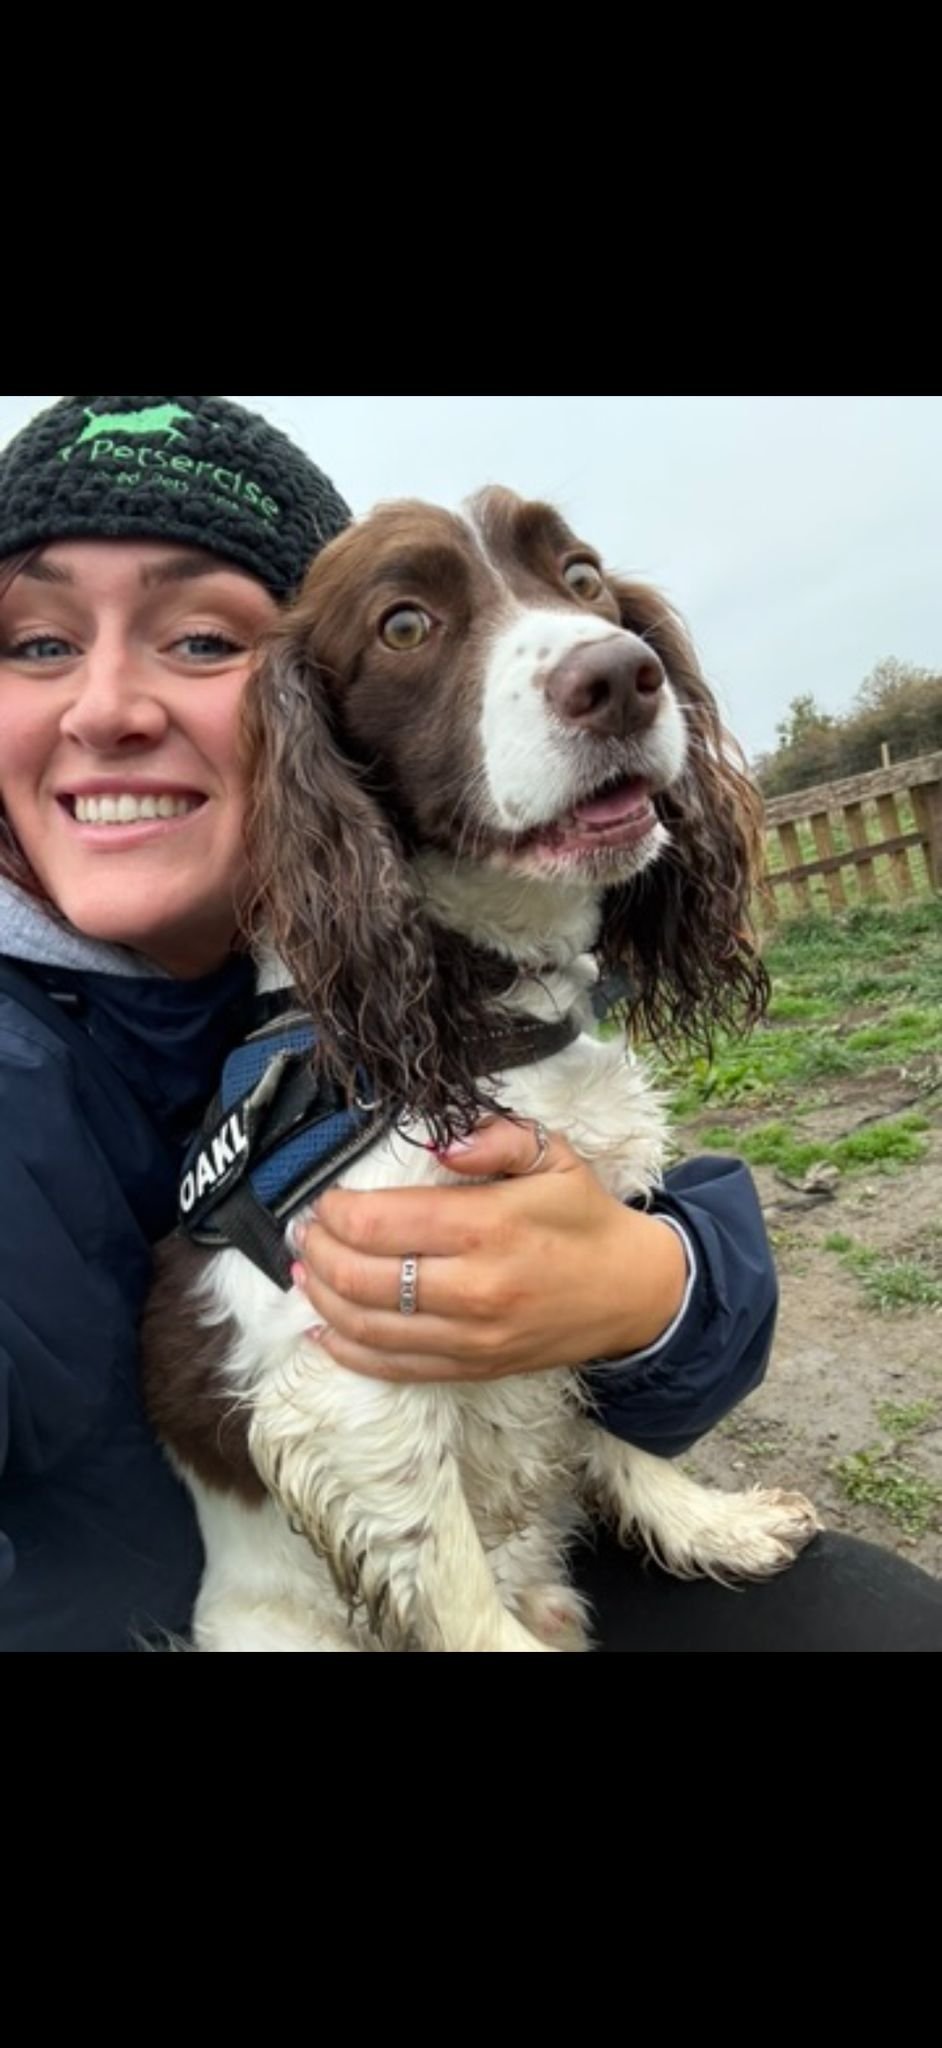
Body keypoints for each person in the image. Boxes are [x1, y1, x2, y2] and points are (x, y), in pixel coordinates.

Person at [1, 393, 939, 1654]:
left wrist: (649, 1286)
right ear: (323, 724)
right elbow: (337, 1399)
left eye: (203, 640)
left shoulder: (434, 978)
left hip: (503, 1535)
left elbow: (609, 1267)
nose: (110, 705)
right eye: (40, 643)